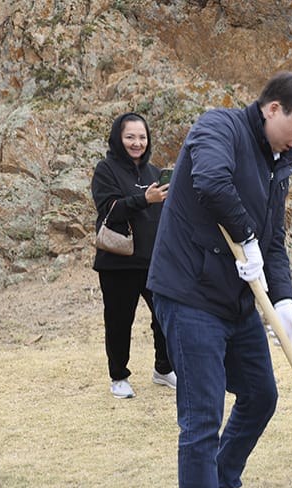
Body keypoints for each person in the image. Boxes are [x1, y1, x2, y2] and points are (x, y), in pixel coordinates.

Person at [147, 72, 292, 488]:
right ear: (273, 109)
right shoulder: (216, 127)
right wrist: (245, 237)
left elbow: (273, 239)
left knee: (261, 394)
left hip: (241, 300)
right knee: (201, 419)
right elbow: (211, 182)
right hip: (190, 294)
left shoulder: (279, 163)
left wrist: (284, 294)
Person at [91, 112, 176, 399]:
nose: (137, 142)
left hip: (154, 261)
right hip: (118, 262)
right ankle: (119, 376)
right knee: (119, 321)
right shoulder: (106, 170)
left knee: (165, 317)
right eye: (130, 137)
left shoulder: (154, 172)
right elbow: (110, 210)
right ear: (118, 138)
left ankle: (163, 369)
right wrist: (144, 199)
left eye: (142, 137)